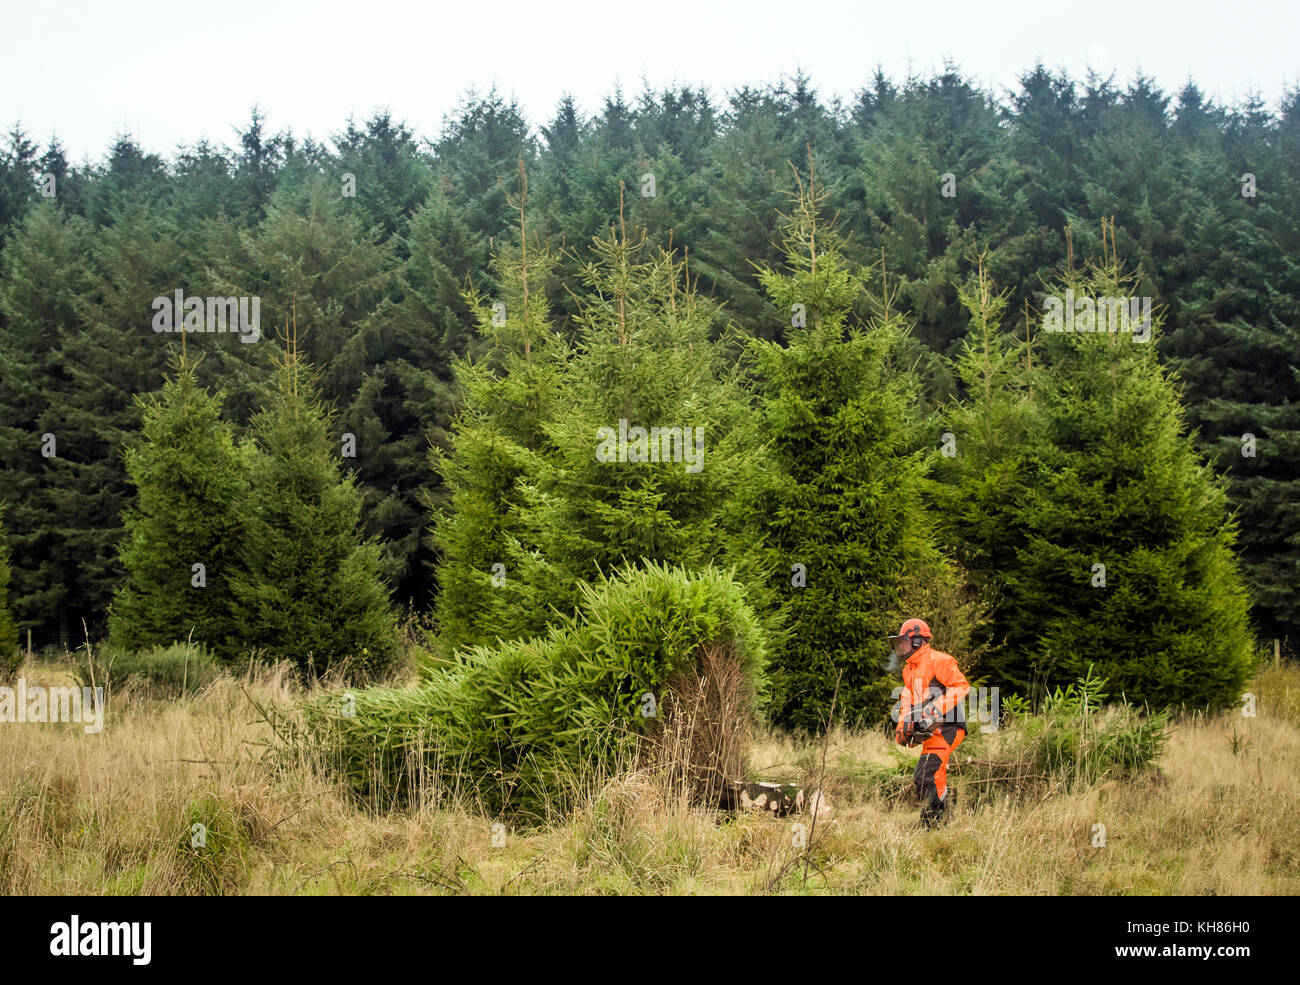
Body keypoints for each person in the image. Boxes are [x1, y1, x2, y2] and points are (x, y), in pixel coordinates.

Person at [888, 618, 969, 828]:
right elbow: (908, 701)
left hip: (949, 725)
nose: (900, 647)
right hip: (932, 731)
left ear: (917, 640)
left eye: (903, 641)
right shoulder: (909, 670)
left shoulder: (939, 660)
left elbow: (961, 686)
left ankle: (932, 825)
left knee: (927, 774)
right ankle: (943, 825)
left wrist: (935, 709)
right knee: (930, 775)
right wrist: (902, 728)